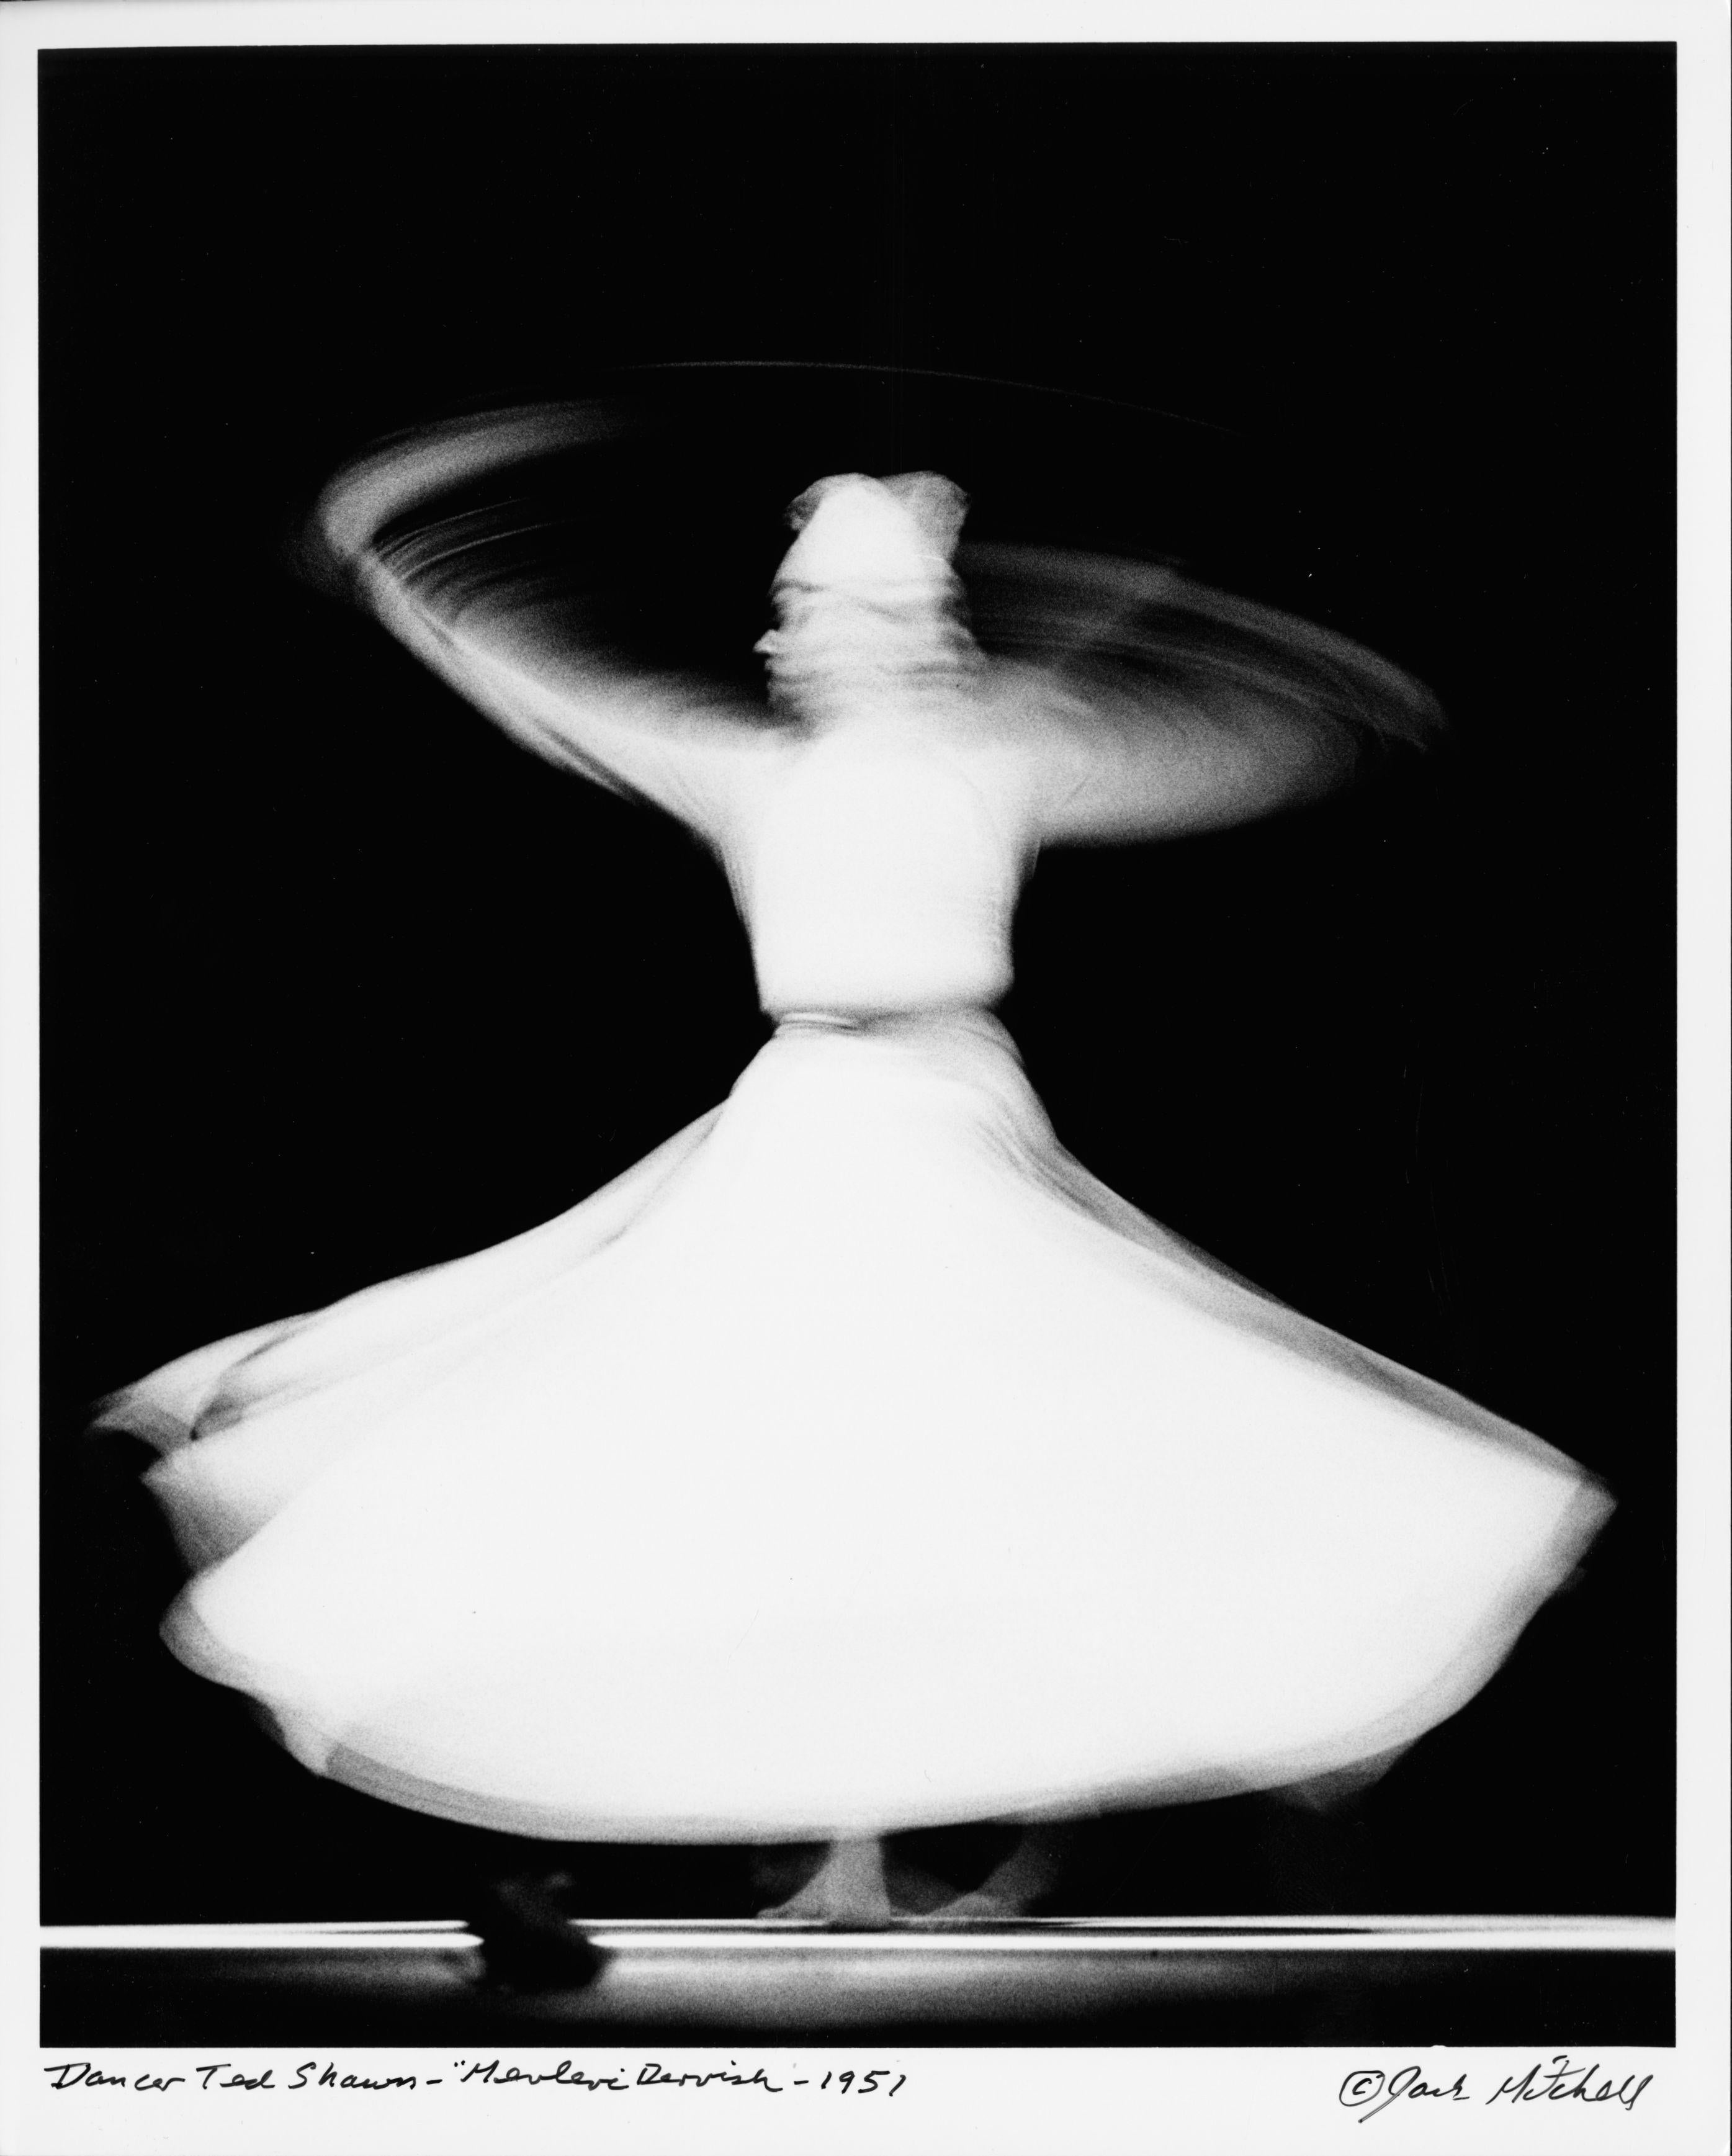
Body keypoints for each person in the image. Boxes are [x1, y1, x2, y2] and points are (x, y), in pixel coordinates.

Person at [92, 405, 1610, 1949]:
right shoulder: (749, 769)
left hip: (941, 1115)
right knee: (802, 1474)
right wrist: (419, 586)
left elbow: (1182, 758)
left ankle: (981, 1832)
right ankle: (848, 1857)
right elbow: (562, 699)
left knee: (991, 1466)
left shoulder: (998, 756)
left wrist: (1296, 712)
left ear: (928, 634)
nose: (830, 643)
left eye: (871, 616)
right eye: (812, 615)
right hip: (811, 1118)